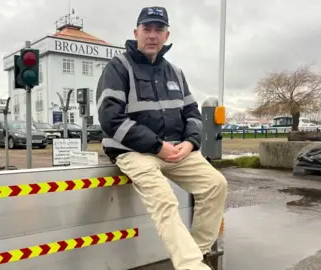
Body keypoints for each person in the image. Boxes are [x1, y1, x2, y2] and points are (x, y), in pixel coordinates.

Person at [96, 6, 228, 270]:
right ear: (136, 32)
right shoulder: (118, 67)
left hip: (177, 150)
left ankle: (196, 252)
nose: (152, 35)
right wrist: (157, 146)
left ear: (167, 35)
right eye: (147, 29)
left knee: (216, 184)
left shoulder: (176, 73)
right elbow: (110, 118)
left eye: (159, 29)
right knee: (165, 200)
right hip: (133, 151)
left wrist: (190, 142)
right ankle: (191, 266)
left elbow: (192, 113)